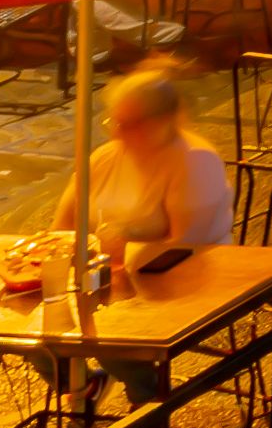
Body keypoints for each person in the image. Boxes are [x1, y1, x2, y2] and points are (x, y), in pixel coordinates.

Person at [59, 61, 231, 290]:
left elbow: (184, 249)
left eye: (131, 124)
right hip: (103, 279)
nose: (117, 132)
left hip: (178, 284)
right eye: (115, 121)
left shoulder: (196, 162)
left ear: (163, 121)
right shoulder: (105, 157)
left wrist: (125, 249)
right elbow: (62, 226)